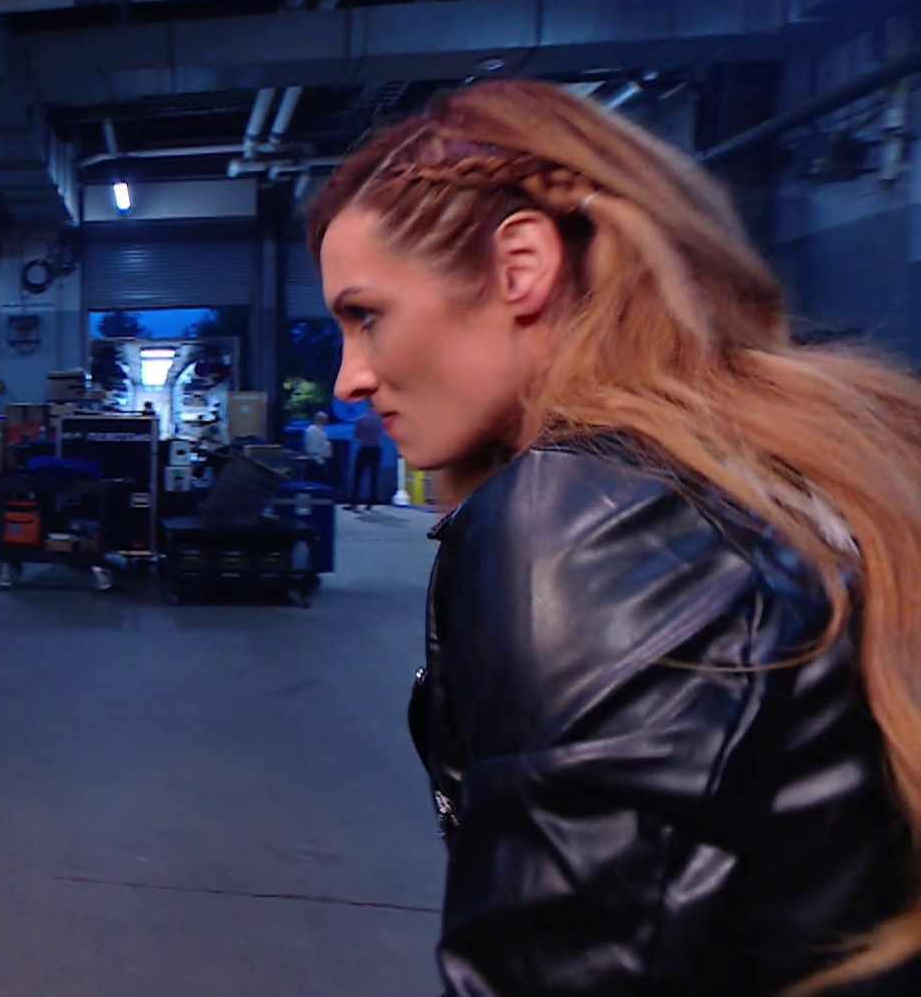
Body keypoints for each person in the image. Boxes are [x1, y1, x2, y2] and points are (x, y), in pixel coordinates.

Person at [309, 79, 921, 995]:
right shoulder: (777, 465)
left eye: (367, 317)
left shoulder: (585, 524)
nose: (348, 379)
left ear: (520, 266)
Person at [346, 406, 383, 509]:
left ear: (367, 408)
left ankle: (354, 502)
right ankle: (371, 501)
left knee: (358, 476)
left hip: (364, 449)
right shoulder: (380, 420)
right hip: (376, 449)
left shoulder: (361, 419)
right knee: (374, 476)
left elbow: (357, 435)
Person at [303, 411, 333, 486]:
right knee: (318, 484)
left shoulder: (319, 431)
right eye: (325, 419)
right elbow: (314, 448)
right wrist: (327, 450)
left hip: (319, 461)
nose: (327, 422)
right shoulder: (314, 431)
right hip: (316, 462)